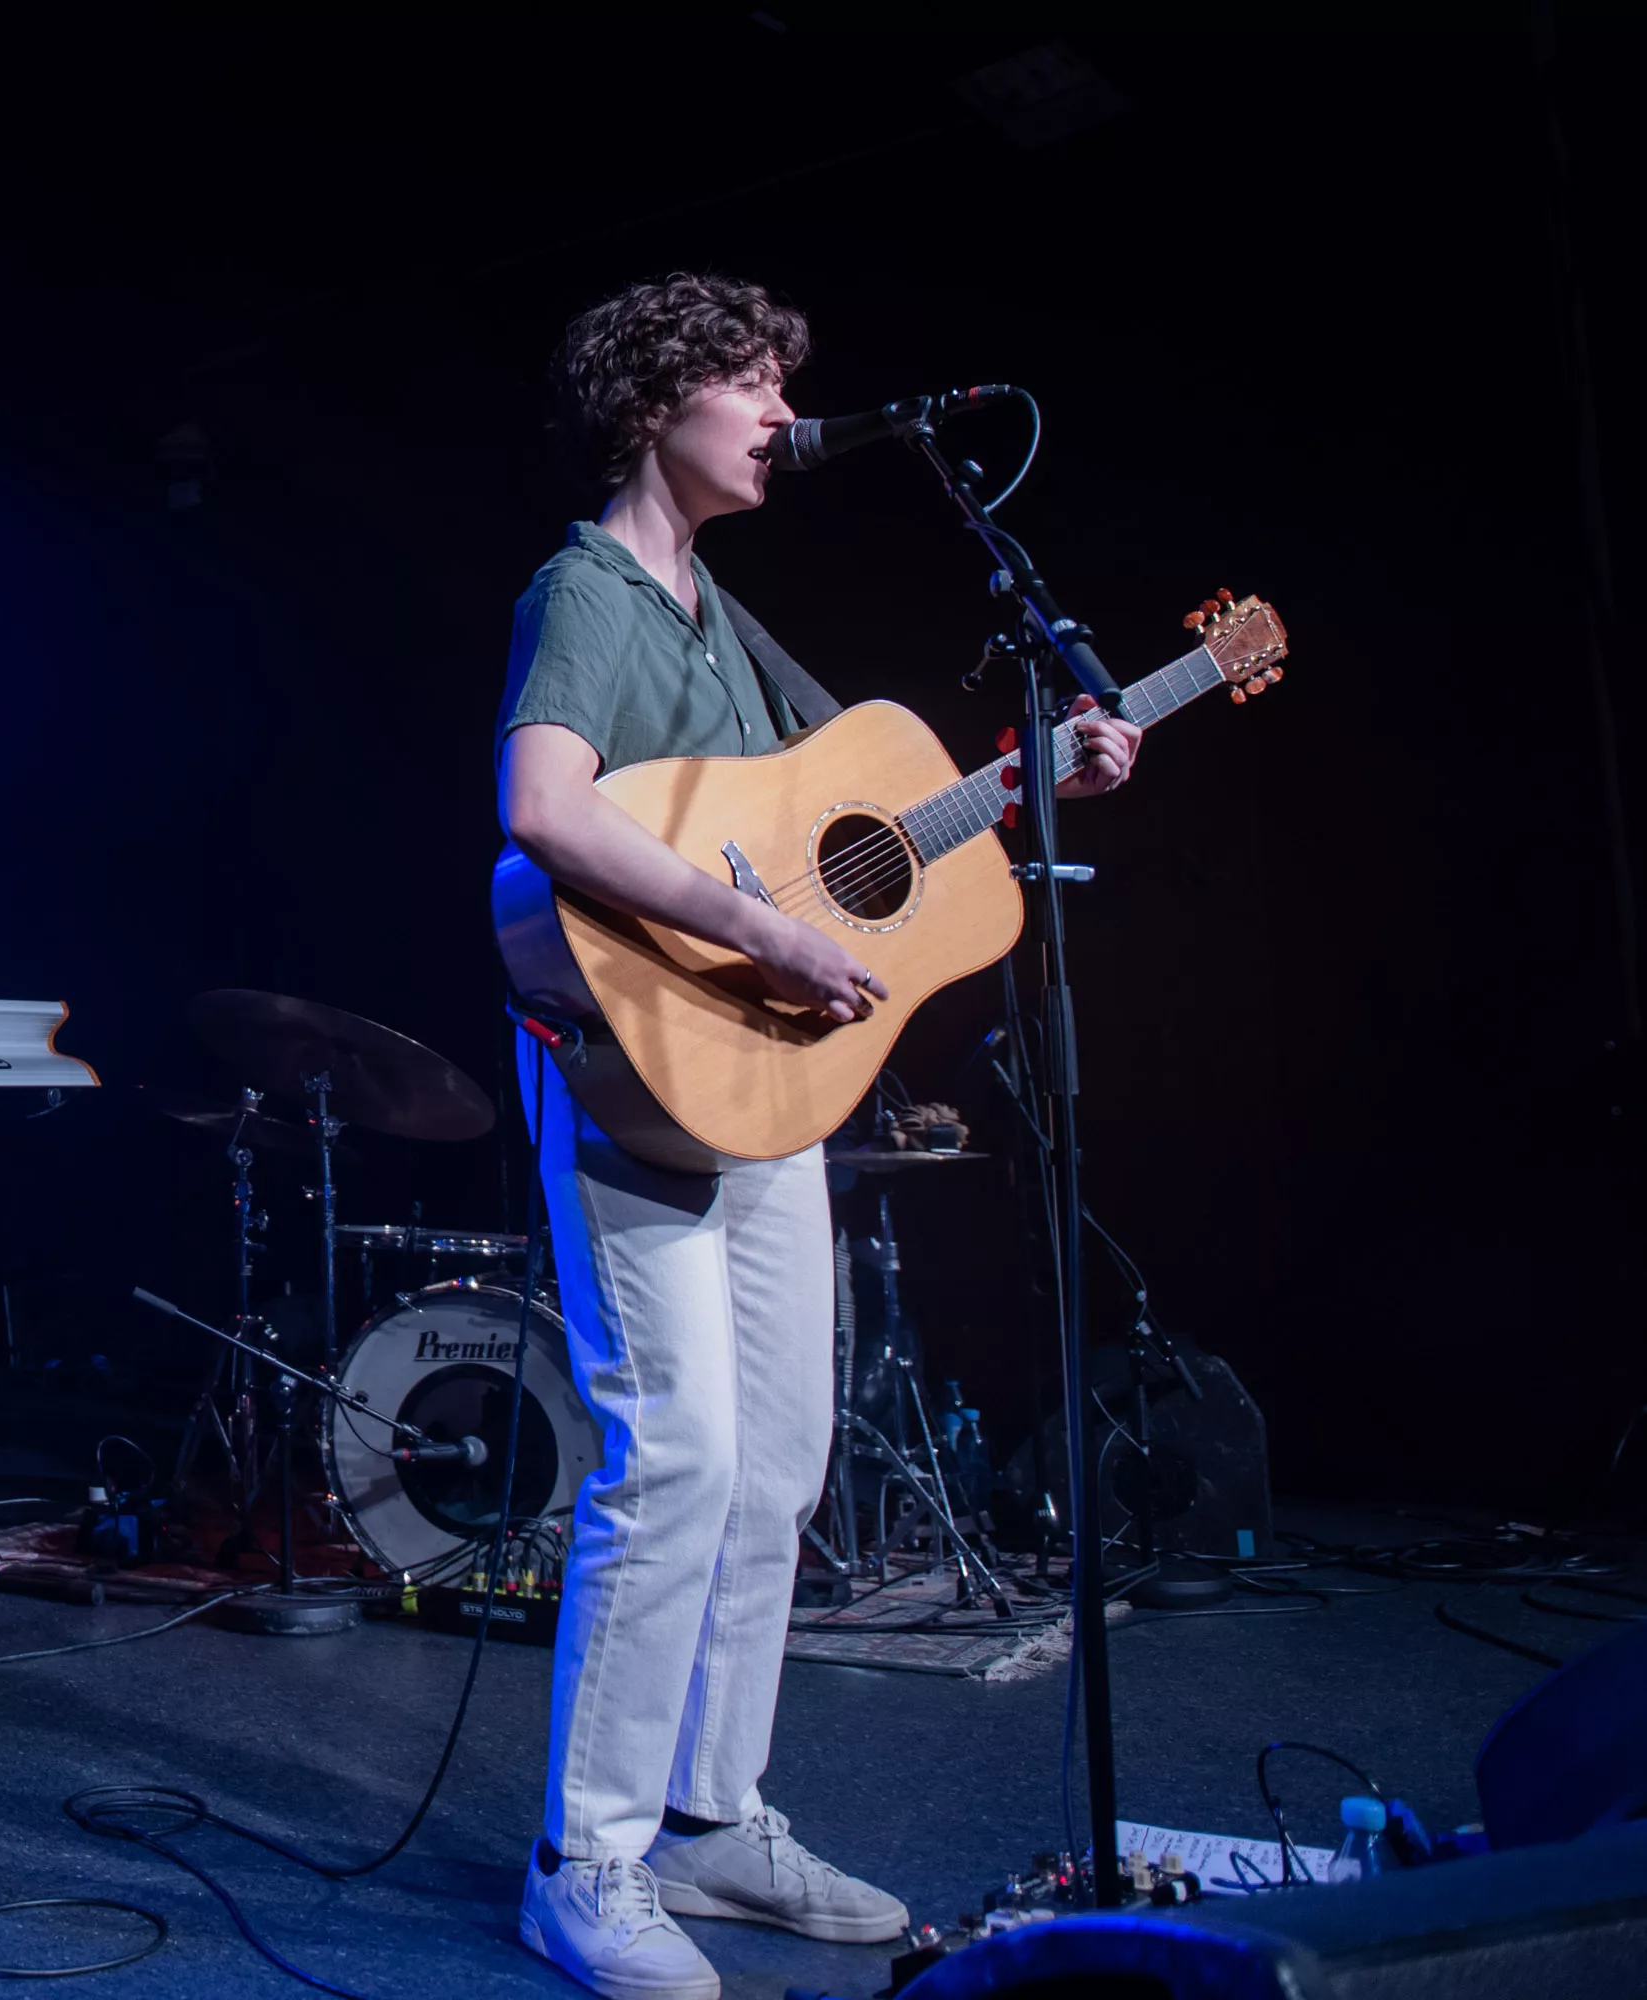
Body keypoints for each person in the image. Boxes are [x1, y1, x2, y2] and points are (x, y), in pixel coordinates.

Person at [495, 274, 1141, 2000]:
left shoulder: (724, 617)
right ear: (656, 405)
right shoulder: (588, 589)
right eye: (752, 381)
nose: (785, 412)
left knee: (780, 1463)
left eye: (789, 383)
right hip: (633, 1072)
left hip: (762, 1087)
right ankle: (585, 1861)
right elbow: (542, 809)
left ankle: (711, 1818)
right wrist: (764, 934)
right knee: (678, 1461)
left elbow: (865, 830)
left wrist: (1036, 777)